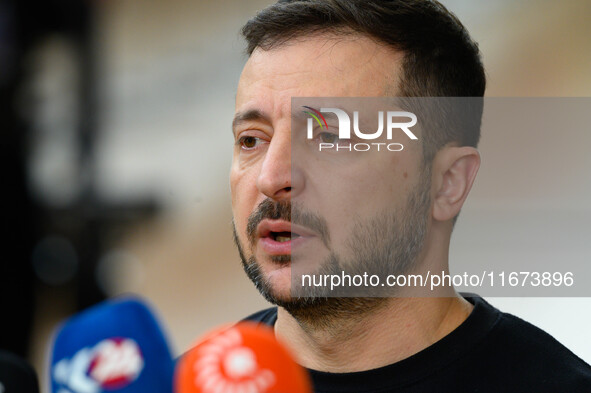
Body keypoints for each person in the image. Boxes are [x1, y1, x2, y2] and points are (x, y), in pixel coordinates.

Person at [229, 0, 591, 391]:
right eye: (251, 140)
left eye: (330, 137)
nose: (270, 177)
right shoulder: (185, 382)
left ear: (448, 182)